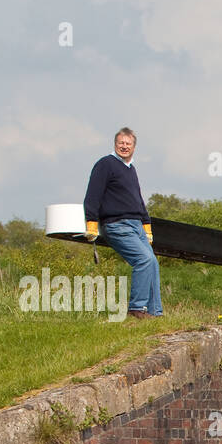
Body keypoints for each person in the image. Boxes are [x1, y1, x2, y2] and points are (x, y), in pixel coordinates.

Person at [84, 128, 162, 319]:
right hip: (117, 224)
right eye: (121, 143)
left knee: (152, 263)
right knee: (144, 260)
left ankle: (154, 313)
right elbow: (93, 195)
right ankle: (137, 308)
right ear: (115, 144)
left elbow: (138, 199)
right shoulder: (106, 164)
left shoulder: (131, 169)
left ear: (134, 147)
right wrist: (92, 222)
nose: (124, 146)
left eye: (128, 143)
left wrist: (146, 225)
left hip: (136, 225)